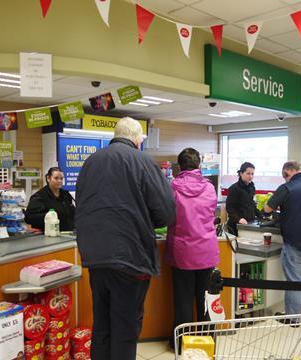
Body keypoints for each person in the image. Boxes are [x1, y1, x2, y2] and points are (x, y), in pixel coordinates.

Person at [74, 117, 176, 360]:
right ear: (138, 140)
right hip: (131, 257)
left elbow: (81, 205)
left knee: (102, 325)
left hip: (95, 256)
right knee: (126, 327)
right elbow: (166, 213)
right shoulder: (142, 161)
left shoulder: (91, 162)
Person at [165, 148, 219, 348]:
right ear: (199, 165)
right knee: (205, 299)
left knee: (183, 301)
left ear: (179, 166)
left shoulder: (173, 187)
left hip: (183, 252)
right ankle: (207, 342)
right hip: (206, 250)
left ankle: (182, 344)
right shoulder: (209, 187)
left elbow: (167, 214)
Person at [263, 161, 301, 327]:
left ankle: (293, 318)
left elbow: (268, 209)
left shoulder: (287, 188)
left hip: (296, 242)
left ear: (288, 171)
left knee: (294, 280)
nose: (285, 179)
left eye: (285, 175)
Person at [24, 167, 75, 231]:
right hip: (48, 235)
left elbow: (73, 213)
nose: (59, 181)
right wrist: (49, 216)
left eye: (61, 179)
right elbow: (29, 218)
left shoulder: (66, 194)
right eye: (56, 178)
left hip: (68, 234)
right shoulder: (39, 197)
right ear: (48, 178)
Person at [226, 162, 261, 235]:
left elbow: (252, 204)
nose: (251, 176)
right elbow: (230, 208)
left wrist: (261, 215)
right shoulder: (234, 188)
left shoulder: (252, 187)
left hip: (249, 223)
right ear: (241, 173)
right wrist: (239, 219)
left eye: (252, 174)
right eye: (248, 174)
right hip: (236, 225)